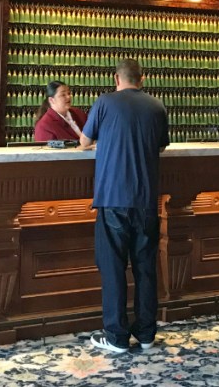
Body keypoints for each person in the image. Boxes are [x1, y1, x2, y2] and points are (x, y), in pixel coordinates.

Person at [80, 59, 169, 354]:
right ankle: (145, 334)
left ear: (116, 79)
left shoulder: (104, 103)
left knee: (113, 267)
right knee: (145, 267)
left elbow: (84, 141)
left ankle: (117, 336)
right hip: (146, 200)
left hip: (113, 198)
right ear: (142, 79)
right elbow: (160, 146)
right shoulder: (157, 107)